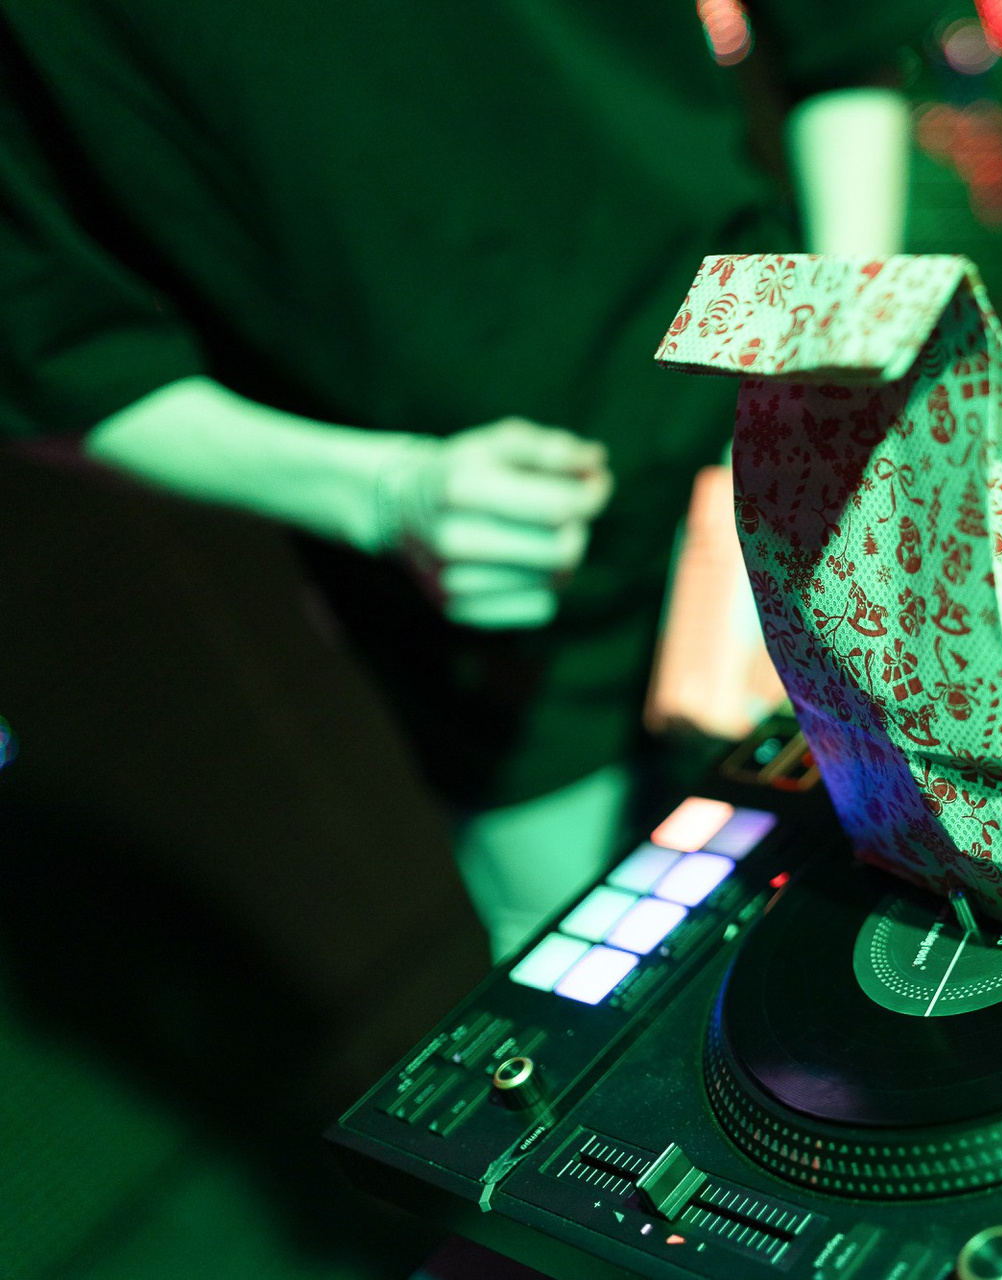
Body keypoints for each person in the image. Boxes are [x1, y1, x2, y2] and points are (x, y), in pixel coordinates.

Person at [0, 2, 930, 958]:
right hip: (489, 635)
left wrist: (829, 382)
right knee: (610, 995)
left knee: (956, 896)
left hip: (790, 440)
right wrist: (383, 494)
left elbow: (839, 34)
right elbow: (53, 355)